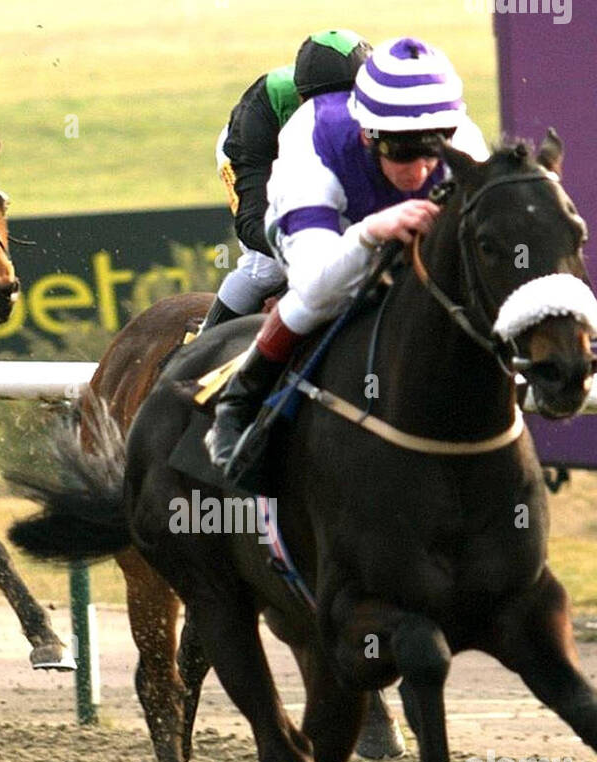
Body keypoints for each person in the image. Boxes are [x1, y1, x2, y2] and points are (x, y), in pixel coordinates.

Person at [205, 36, 490, 475]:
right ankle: (234, 398)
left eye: (431, 150)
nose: (417, 171)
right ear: (366, 132)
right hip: (303, 190)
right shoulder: (306, 136)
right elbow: (315, 283)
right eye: (400, 151)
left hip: (359, 182)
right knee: (285, 280)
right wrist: (368, 233)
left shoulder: (460, 137)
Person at [205, 29, 372, 331]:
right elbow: (251, 223)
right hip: (258, 156)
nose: (333, 114)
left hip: (319, 157)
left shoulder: (379, 107)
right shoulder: (258, 114)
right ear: (299, 96)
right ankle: (196, 355)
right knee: (264, 269)